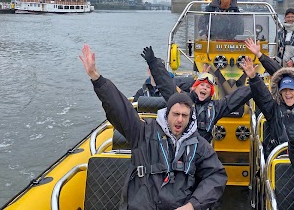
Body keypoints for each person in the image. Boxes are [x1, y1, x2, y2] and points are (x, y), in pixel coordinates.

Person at [79, 45, 227, 210]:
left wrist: (192, 205)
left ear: (190, 117)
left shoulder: (199, 146)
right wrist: (96, 77)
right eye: (175, 114)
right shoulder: (143, 133)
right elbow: (120, 108)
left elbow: (216, 175)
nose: (179, 120)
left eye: (184, 116)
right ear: (167, 113)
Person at [141, 46, 253, 143]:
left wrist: (254, 81)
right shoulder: (181, 99)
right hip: (180, 144)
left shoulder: (215, 107)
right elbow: (166, 84)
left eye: (208, 87)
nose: (204, 87)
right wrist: (153, 63)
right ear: (194, 87)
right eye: (202, 85)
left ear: (211, 93)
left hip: (202, 150)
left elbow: (236, 97)